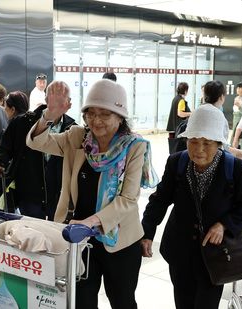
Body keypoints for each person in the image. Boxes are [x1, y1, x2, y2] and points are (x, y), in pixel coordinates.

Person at [27, 79, 158, 309]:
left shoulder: (134, 146)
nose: (96, 121)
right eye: (90, 113)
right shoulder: (77, 138)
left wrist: (91, 222)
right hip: (79, 240)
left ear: (120, 116)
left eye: (105, 114)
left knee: (122, 301)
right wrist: (50, 114)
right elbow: (37, 142)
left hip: (119, 241)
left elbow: (128, 199)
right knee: (81, 301)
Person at [141, 106, 242, 309]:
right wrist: (147, 232)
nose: (199, 149)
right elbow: (159, 199)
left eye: (207, 143)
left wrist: (224, 225)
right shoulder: (177, 162)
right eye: (193, 141)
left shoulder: (235, 169)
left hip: (214, 255)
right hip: (180, 250)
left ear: (219, 143)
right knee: (183, 303)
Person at [0, 91, 75, 220]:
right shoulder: (22, 122)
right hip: (29, 186)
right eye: (53, 99)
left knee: (54, 230)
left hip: (58, 191)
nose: (57, 104)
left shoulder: (72, 128)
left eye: (62, 101)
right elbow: (5, 145)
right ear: (46, 99)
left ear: (68, 104)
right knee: (30, 228)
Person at [200, 80, 242, 161]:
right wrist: (235, 152)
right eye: (238, 88)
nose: (239, 90)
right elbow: (221, 147)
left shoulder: (198, 111)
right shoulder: (218, 116)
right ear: (221, 97)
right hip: (211, 158)